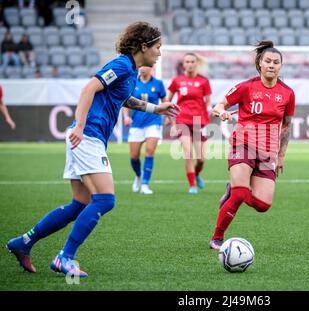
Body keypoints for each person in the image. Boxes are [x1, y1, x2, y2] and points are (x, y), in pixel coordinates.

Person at [6, 22, 179, 277]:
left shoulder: (129, 70)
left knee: (79, 204)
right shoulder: (121, 64)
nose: (160, 53)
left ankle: (24, 242)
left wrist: (156, 108)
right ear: (143, 47)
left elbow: (123, 99)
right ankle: (65, 257)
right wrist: (80, 126)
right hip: (87, 136)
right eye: (158, 47)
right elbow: (90, 87)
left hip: (88, 137)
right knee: (105, 199)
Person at [208, 40, 296, 250]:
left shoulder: (288, 93)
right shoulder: (246, 87)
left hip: (268, 152)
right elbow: (218, 106)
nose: (272, 65)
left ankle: (231, 190)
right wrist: (222, 112)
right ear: (260, 63)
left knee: (263, 206)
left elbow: (286, 126)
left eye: (276, 62)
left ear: (281, 66)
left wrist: (281, 155)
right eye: (268, 61)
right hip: (243, 144)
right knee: (241, 194)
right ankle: (217, 238)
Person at [167, 53, 212, 194]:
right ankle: (192, 185)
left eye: (192, 61)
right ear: (184, 64)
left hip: (200, 122)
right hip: (183, 120)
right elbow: (168, 102)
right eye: (187, 61)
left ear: (196, 63)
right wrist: (172, 123)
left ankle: (197, 174)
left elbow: (208, 102)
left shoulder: (204, 81)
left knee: (201, 159)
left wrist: (210, 109)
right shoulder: (177, 81)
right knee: (188, 153)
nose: (190, 64)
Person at [124, 65, 167, 195]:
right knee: (134, 156)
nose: (143, 69)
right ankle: (138, 176)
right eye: (141, 66)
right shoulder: (133, 82)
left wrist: (170, 117)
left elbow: (164, 101)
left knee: (149, 152)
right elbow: (126, 102)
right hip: (136, 123)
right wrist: (126, 117)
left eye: (146, 66)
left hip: (154, 122)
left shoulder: (158, 83)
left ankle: (145, 184)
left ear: (152, 68)